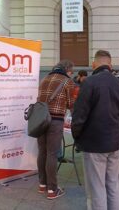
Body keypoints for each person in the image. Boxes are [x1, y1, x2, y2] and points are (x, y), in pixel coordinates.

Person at [72, 50, 119, 210]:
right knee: (113, 183)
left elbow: (79, 116)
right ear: (110, 65)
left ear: (94, 64)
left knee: (96, 187)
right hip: (115, 142)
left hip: (94, 142)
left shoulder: (89, 83)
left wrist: (77, 136)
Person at [37, 59, 75, 199]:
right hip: (55, 120)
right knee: (52, 153)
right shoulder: (67, 81)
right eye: (71, 71)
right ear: (68, 70)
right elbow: (72, 104)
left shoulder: (44, 78)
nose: (71, 74)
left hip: (40, 120)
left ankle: (42, 185)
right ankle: (52, 190)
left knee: (42, 151)